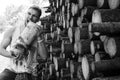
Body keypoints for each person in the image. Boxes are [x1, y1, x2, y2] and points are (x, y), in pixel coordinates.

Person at [0, 5, 48, 80]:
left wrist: (39, 37)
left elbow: (44, 57)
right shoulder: (13, 30)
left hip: (29, 72)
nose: (30, 17)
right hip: (12, 70)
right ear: (26, 14)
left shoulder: (39, 34)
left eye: (34, 16)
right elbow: (1, 49)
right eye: (29, 14)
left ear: (38, 19)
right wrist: (12, 54)